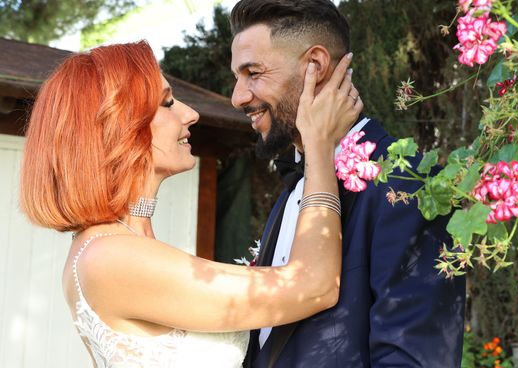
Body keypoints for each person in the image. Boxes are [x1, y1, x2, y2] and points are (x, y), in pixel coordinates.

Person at [20, 40, 362, 368]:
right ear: (117, 127)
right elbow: (313, 286)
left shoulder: (119, 247)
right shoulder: (110, 258)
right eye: (167, 103)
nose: (191, 114)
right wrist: (319, 145)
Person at [230, 0, 466, 368]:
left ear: (315, 65)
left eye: (253, 73)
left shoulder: (406, 185)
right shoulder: (293, 187)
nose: (238, 97)